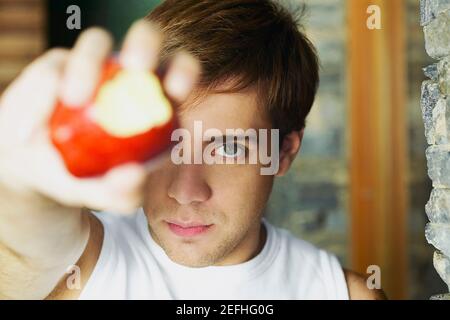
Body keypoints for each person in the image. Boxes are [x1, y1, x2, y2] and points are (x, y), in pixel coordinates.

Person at [0, 0, 385, 300]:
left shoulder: (347, 294)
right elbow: (19, 264)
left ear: (283, 153)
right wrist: (15, 188)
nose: (186, 190)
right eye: (168, 145)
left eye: (230, 148)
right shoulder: (83, 267)